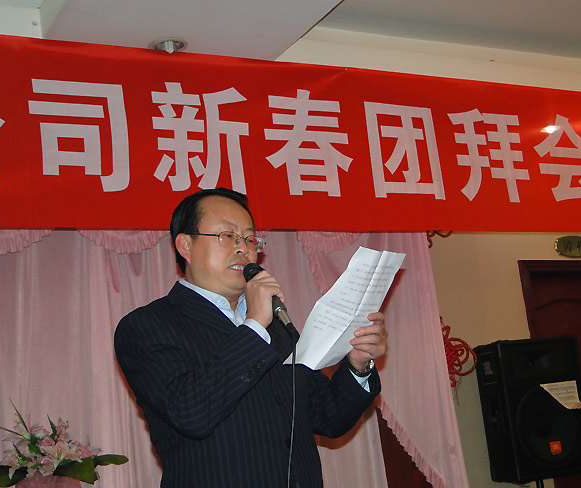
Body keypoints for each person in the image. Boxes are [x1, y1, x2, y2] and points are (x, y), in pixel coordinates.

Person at [114, 188, 388, 488]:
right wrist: (255, 324)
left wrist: (358, 365)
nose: (243, 248)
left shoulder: (275, 325)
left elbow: (325, 415)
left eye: (249, 239)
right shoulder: (147, 326)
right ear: (185, 245)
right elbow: (191, 412)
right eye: (227, 236)